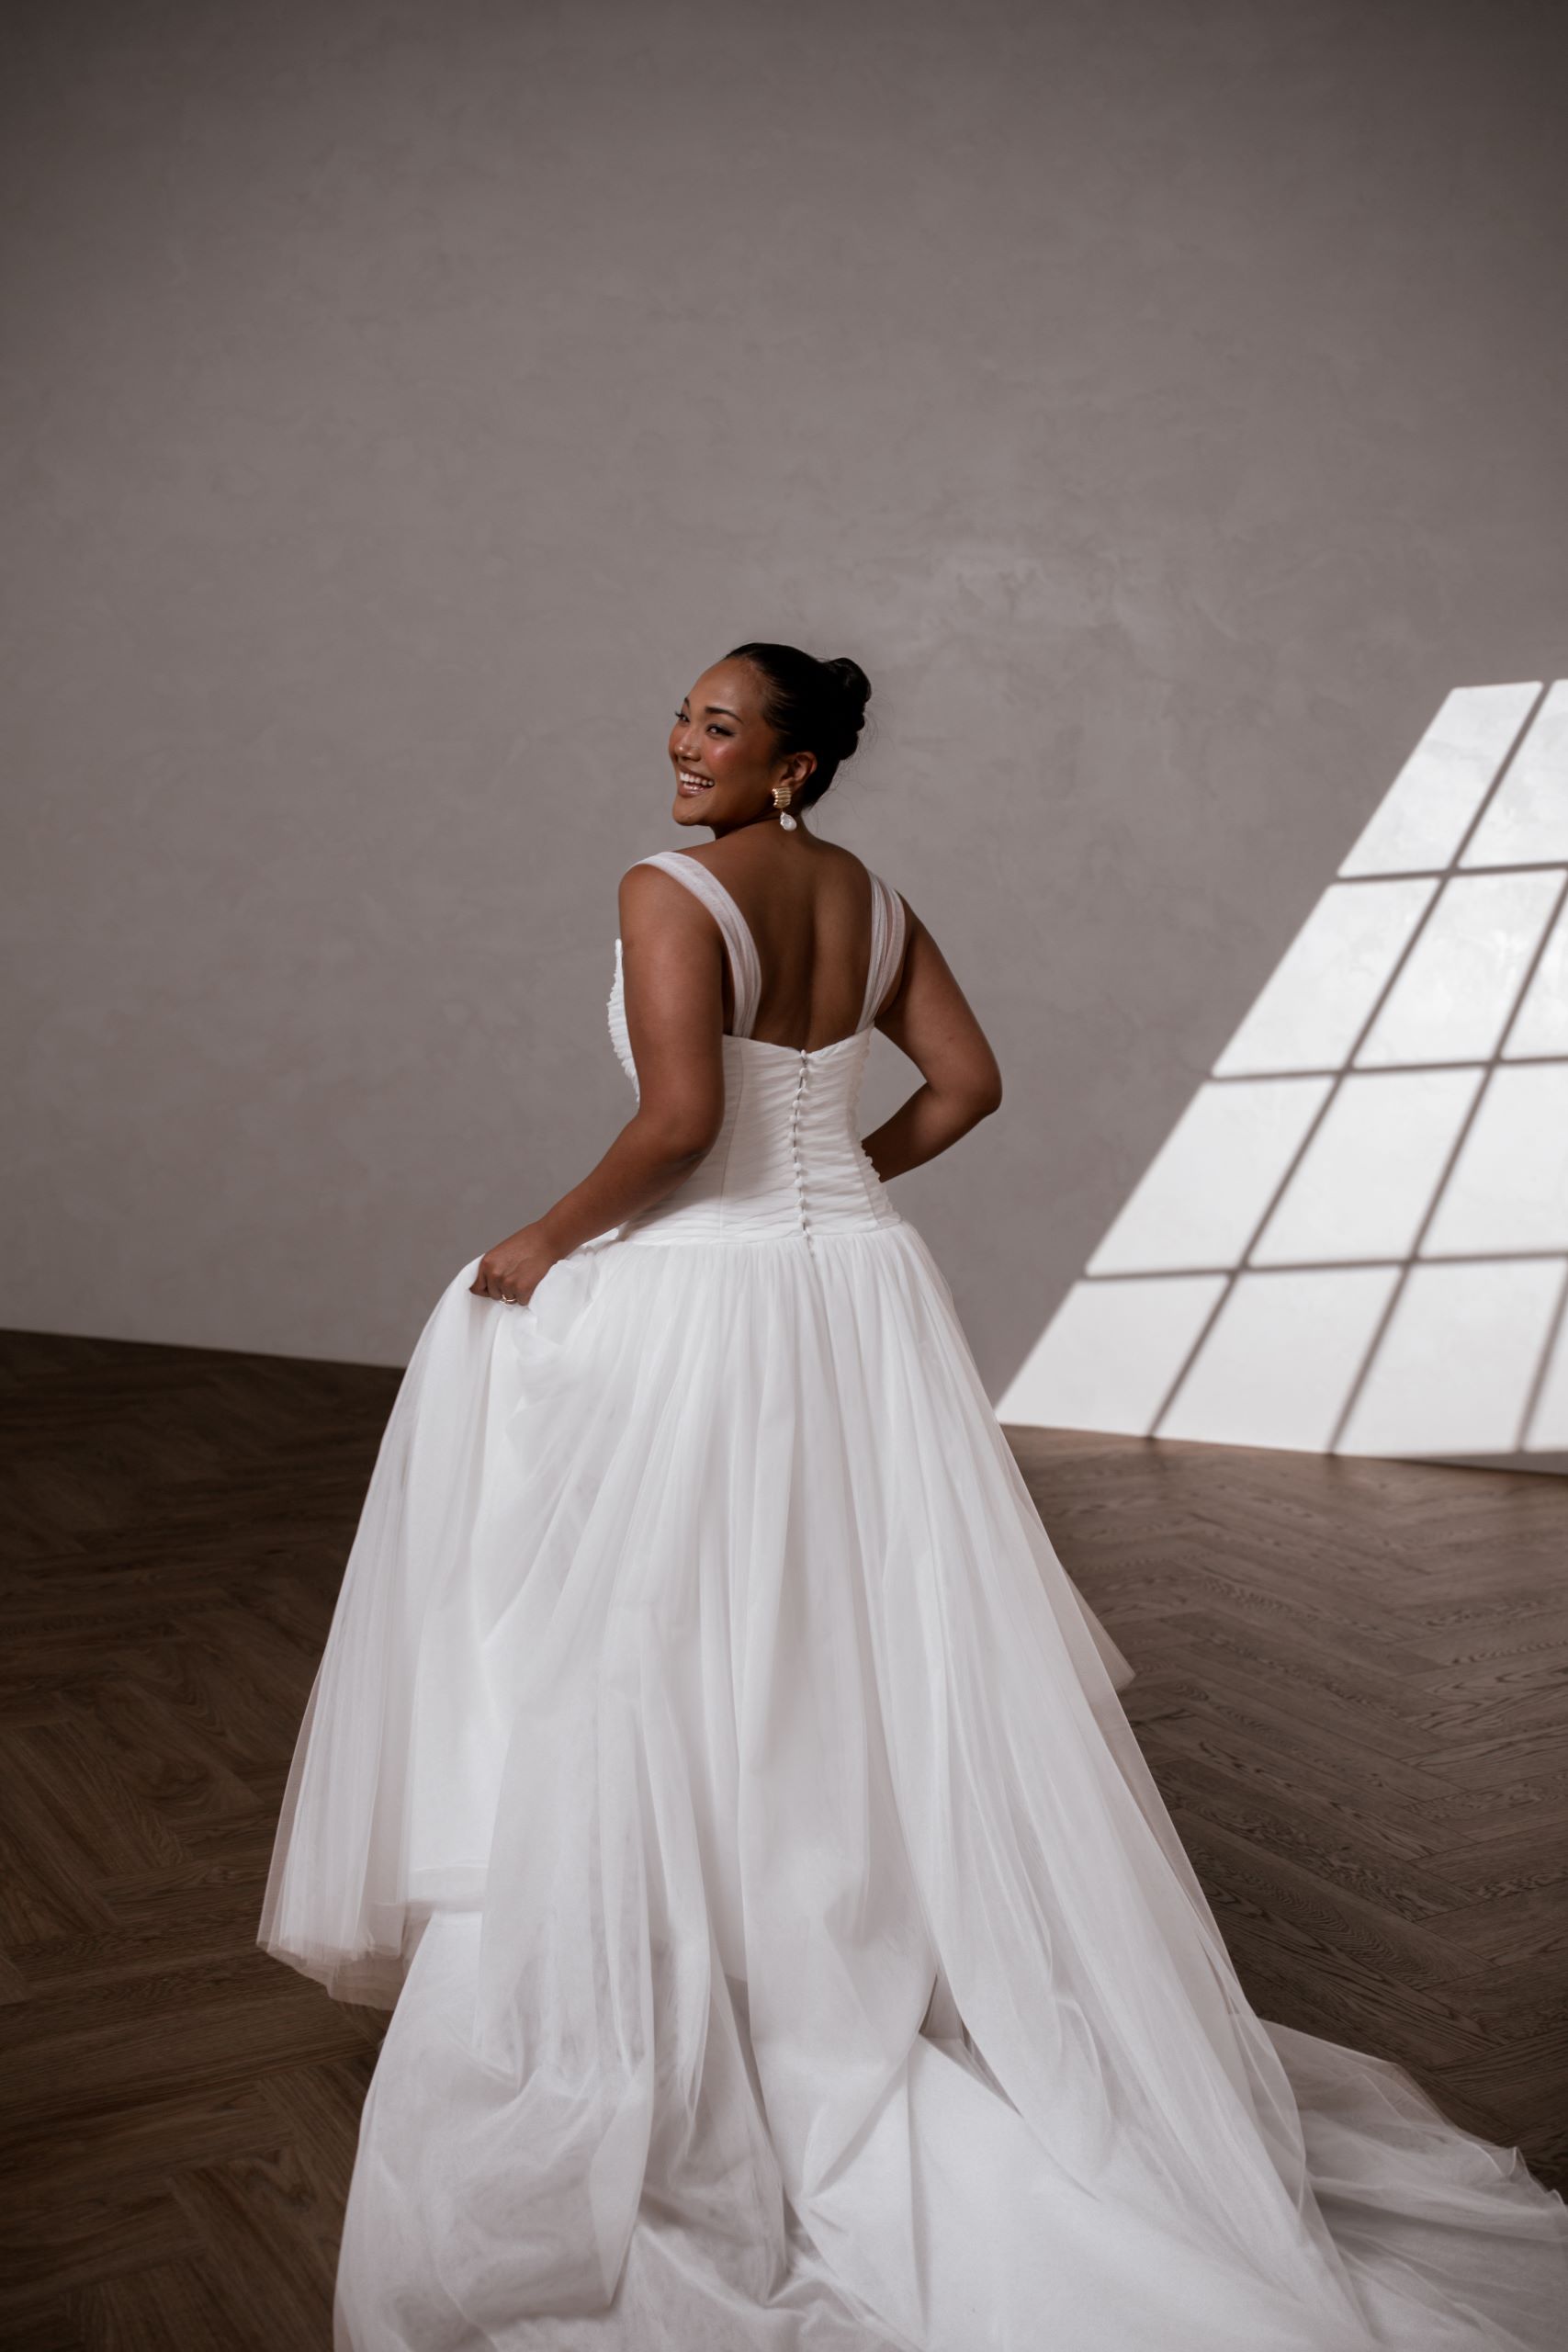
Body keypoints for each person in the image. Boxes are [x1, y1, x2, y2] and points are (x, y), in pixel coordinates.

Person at [260, 643, 1568, 2351]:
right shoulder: (874, 903)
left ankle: (677, 1965)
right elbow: (969, 1085)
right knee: (845, 1630)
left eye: (720, 725)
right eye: (683, 715)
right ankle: (829, 1938)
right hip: (860, 1292)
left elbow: (678, 1125)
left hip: (711, 1295)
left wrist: (542, 1241)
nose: (682, 741)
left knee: (648, 1626)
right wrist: (836, 1184)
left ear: (791, 765)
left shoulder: (666, 890)